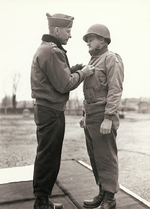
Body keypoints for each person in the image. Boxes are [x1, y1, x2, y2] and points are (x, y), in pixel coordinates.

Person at [31, 13, 95, 209]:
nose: (70, 35)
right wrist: (82, 73)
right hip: (51, 110)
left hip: (46, 109)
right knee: (49, 156)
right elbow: (65, 84)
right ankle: (41, 202)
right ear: (57, 30)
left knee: (46, 154)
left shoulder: (48, 49)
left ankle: (42, 200)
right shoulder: (53, 51)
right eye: (68, 31)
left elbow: (57, 76)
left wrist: (73, 68)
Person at [80, 24, 124, 209]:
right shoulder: (92, 62)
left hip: (103, 115)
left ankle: (110, 198)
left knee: (106, 157)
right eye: (88, 39)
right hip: (91, 116)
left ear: (103, 40)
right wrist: (85, 115)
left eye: (91, 38)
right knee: (95, 157)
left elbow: (115, 90)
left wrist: (108, 117)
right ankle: (102, 193)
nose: (88, 42)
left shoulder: (111, 59)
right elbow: (89, 91)